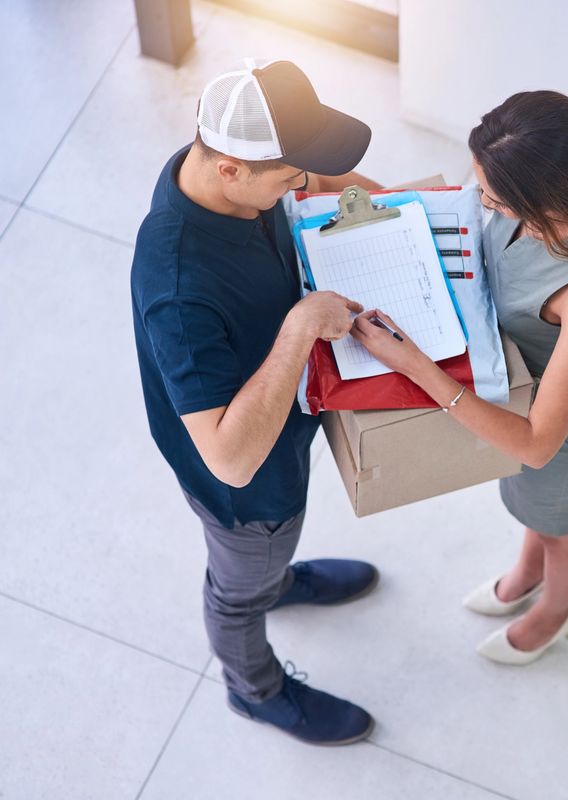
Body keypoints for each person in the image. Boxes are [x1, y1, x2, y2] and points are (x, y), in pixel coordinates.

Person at [352, 90, 568, 666]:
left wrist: (417, 367)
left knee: (563, 524)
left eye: (495, 201)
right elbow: (447, 216)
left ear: (546, 201)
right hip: (518, 384)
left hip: (563, 424)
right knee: (531, 507)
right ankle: (527, 572)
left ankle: (557, 610)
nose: (483, 203)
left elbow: (540, 444)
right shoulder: (521, 201)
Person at [131, 59, 384, 744]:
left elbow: (328, 180)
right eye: (291, 178)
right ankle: (256, 691)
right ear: (232, 172)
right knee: (237, 591)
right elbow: (231, 460)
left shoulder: (211, 172)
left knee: (268, 566)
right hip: (247, 491)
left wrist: (403, 217)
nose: (306, 186)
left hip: (283, 429)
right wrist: (301, 326)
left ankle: (280, 581)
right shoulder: (178, 284)